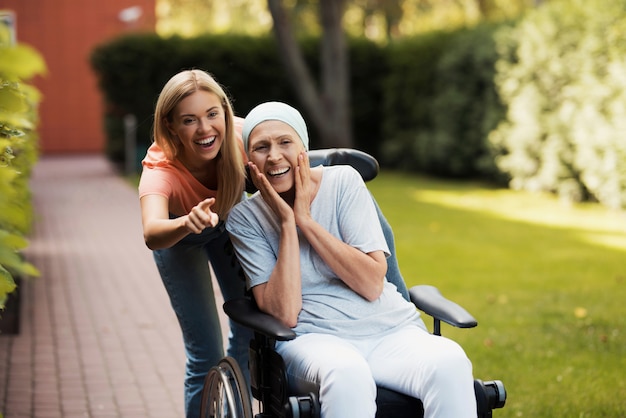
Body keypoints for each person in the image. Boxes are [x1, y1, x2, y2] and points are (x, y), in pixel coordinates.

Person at [225, 101, 477, 418]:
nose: (275, 155)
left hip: (392, 332)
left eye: (285, 142)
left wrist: (308, 221)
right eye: (261, 147)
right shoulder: (245, 219)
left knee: (450, 362)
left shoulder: (343, 181)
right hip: (314, 340)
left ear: (303, 147)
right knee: (346, 373)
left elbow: (372, 283)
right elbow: (284, 314)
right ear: (250, 162)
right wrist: (288, 224)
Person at [138, 69, 251, 418]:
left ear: (225, 112)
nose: (205, 130)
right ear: (171, 125)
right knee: (205, 352)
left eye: (212, 114)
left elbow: (289, 148)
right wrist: (187, 222)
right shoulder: (162, 169)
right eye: (189, 120)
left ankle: (239, 410)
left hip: (229, 226)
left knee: (251, 332)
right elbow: (152, 231)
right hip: (181, 239)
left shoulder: (243, 135)